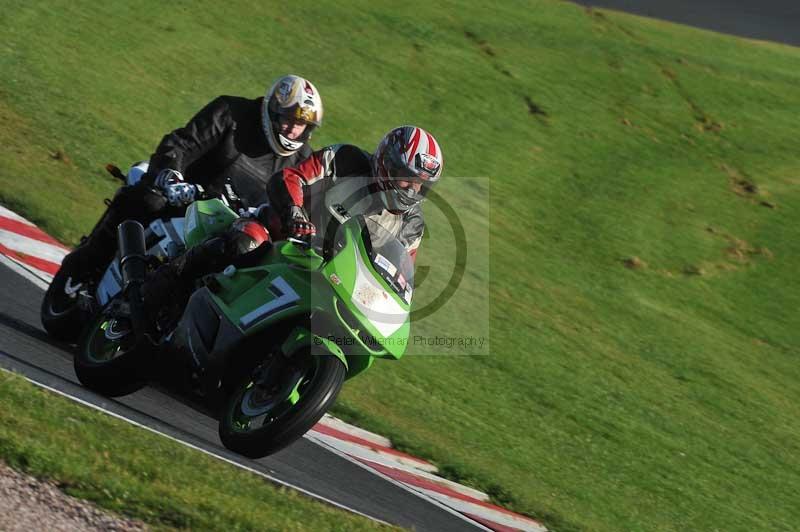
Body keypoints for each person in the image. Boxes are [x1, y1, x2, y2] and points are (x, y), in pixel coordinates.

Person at [139, 125, 444, 312]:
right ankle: (158, 289)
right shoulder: (345, 160)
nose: (410, 188)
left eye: (419, 184)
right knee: (246, 243)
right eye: (406, 177)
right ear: (385, 161)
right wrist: (294, 212)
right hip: (280, 235)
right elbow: (290, 177)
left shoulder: (412, 224)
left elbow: (402, 275)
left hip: (330, 279)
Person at [57, 74, 324, 285]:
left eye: (300, 124)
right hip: (184, 198)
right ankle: (87, 264)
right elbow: (181, 144)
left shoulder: (301, 161)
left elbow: (296, 204)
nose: (292, 128)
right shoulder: (232, 112)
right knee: (147, 200)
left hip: (231, 227)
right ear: (272, 111)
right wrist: (172, 177)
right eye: (287, 119)